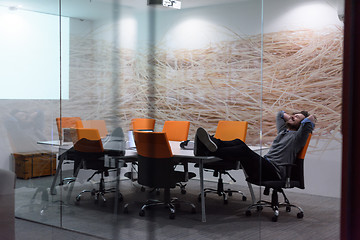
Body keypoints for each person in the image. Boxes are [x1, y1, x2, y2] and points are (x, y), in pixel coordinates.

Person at [194, 111, 316, 181]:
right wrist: (292, 117)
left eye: (297, 118)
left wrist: (302, 118)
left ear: (301, 124)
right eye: (292, 115)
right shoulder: (283, 132)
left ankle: (208, 150)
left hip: (275, 171)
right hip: (266, 165)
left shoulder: (298, 138)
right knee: (239, 142)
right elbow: (280, 114)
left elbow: (310, 121)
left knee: (242, 149)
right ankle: (211, 145)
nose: (292, 117)